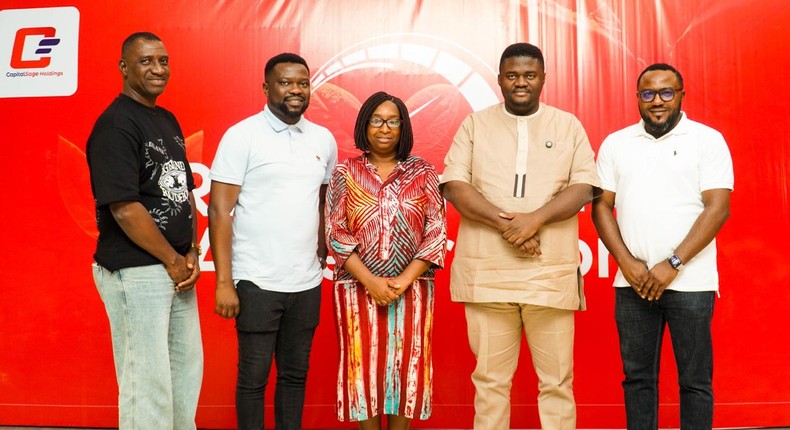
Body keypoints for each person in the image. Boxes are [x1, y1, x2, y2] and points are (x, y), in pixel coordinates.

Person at [440, 42, 599, 430]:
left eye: (529, 75)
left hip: (549, 277)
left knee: (557, 382)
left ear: (543, 78)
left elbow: (584, 187)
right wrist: (510, 225)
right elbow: (455, 185)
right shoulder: (475, 125)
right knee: (491, 383)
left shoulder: (567, 125)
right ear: (499, 80)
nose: (521, 83)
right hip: (488, 279)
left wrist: (536, 220)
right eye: (512, 76)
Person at [591, 63, 733, 429]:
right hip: (633, 283)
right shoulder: (616, 143)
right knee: (637, 380)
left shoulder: (707, 139)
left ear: (682, 96)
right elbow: (601, 206)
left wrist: (673, 262)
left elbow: (717, 207)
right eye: (648, 93)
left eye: (667, 93)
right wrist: (627, 263)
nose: (658, 101)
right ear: (638, 98)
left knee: (695, 382)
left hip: (691, 282)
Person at [208, 52, 338, 430]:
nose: (295, 90)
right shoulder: (242, 135)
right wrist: (223, 282)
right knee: (253, 380)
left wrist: (320, 247)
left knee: (295, 378)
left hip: (307, 281)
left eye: (302, 83)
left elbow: (321, 199)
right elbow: (220, 211)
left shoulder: (323, 139)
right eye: (285, 83)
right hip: (256, 280)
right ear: (266, 88)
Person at [86, 32, 203, 429]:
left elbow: (182, 190)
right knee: (147, 384)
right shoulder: (115, 126)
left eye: (163, 60)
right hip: (137, 271)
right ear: (124, 67)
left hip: (176, 271)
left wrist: (191, 253)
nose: (158, 69)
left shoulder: (166, 118)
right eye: (146, 61)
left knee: (185, 380)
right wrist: (172, 259)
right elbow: (125, 209)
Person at [325, 91, 446, 430]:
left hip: (413, 289)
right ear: (365, 125)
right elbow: (336, 233)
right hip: (356, 290)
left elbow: (436, 231)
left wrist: (402, 281)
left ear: (403, 127)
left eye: (393, 121)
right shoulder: (344, 172)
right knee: (361, 369)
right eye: (377, 120)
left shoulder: (423, 171)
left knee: (407, 369)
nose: (384, 128)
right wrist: (371, 282)